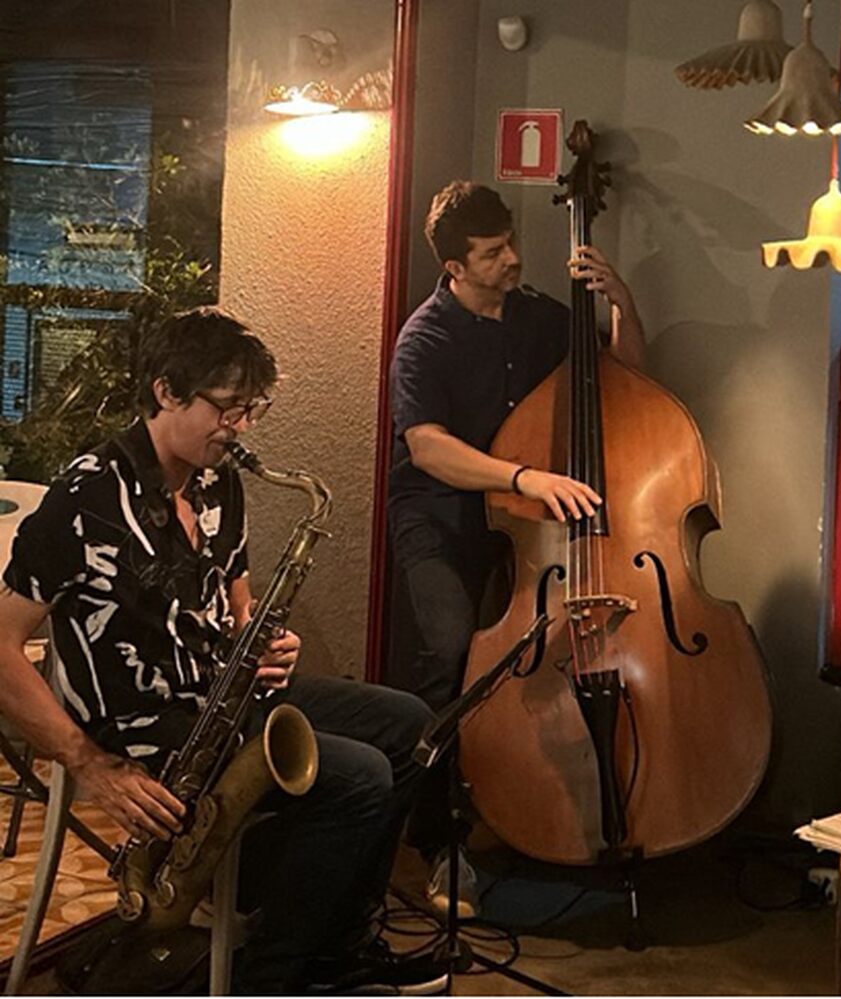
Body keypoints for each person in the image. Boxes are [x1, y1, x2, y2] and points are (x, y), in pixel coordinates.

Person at [0, 307, 448, 995]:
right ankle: (271, 975)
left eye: (251, 410)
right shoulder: (85, 497)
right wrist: (89, 764)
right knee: (360, 777)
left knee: (409, 723)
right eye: (227, 408)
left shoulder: (218, 481)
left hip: (222, 695)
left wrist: (261, 638)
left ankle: (335, 942)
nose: (240, 428)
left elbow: (236, 600)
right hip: (145, 727)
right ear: (166, 391)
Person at [386, 181, 643, 916]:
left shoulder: (538, 317)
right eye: (492, 252)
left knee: (531, 660)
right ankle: (439, 842)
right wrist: (524, 475)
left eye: (510, 243)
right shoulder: (424, 338)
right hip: (440, 517)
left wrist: (621, 303)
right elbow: (428, 447)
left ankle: (535, 811)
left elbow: (622, 377)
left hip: (524, 521)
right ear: (455, 266)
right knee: (447, 657)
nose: (512, 259)